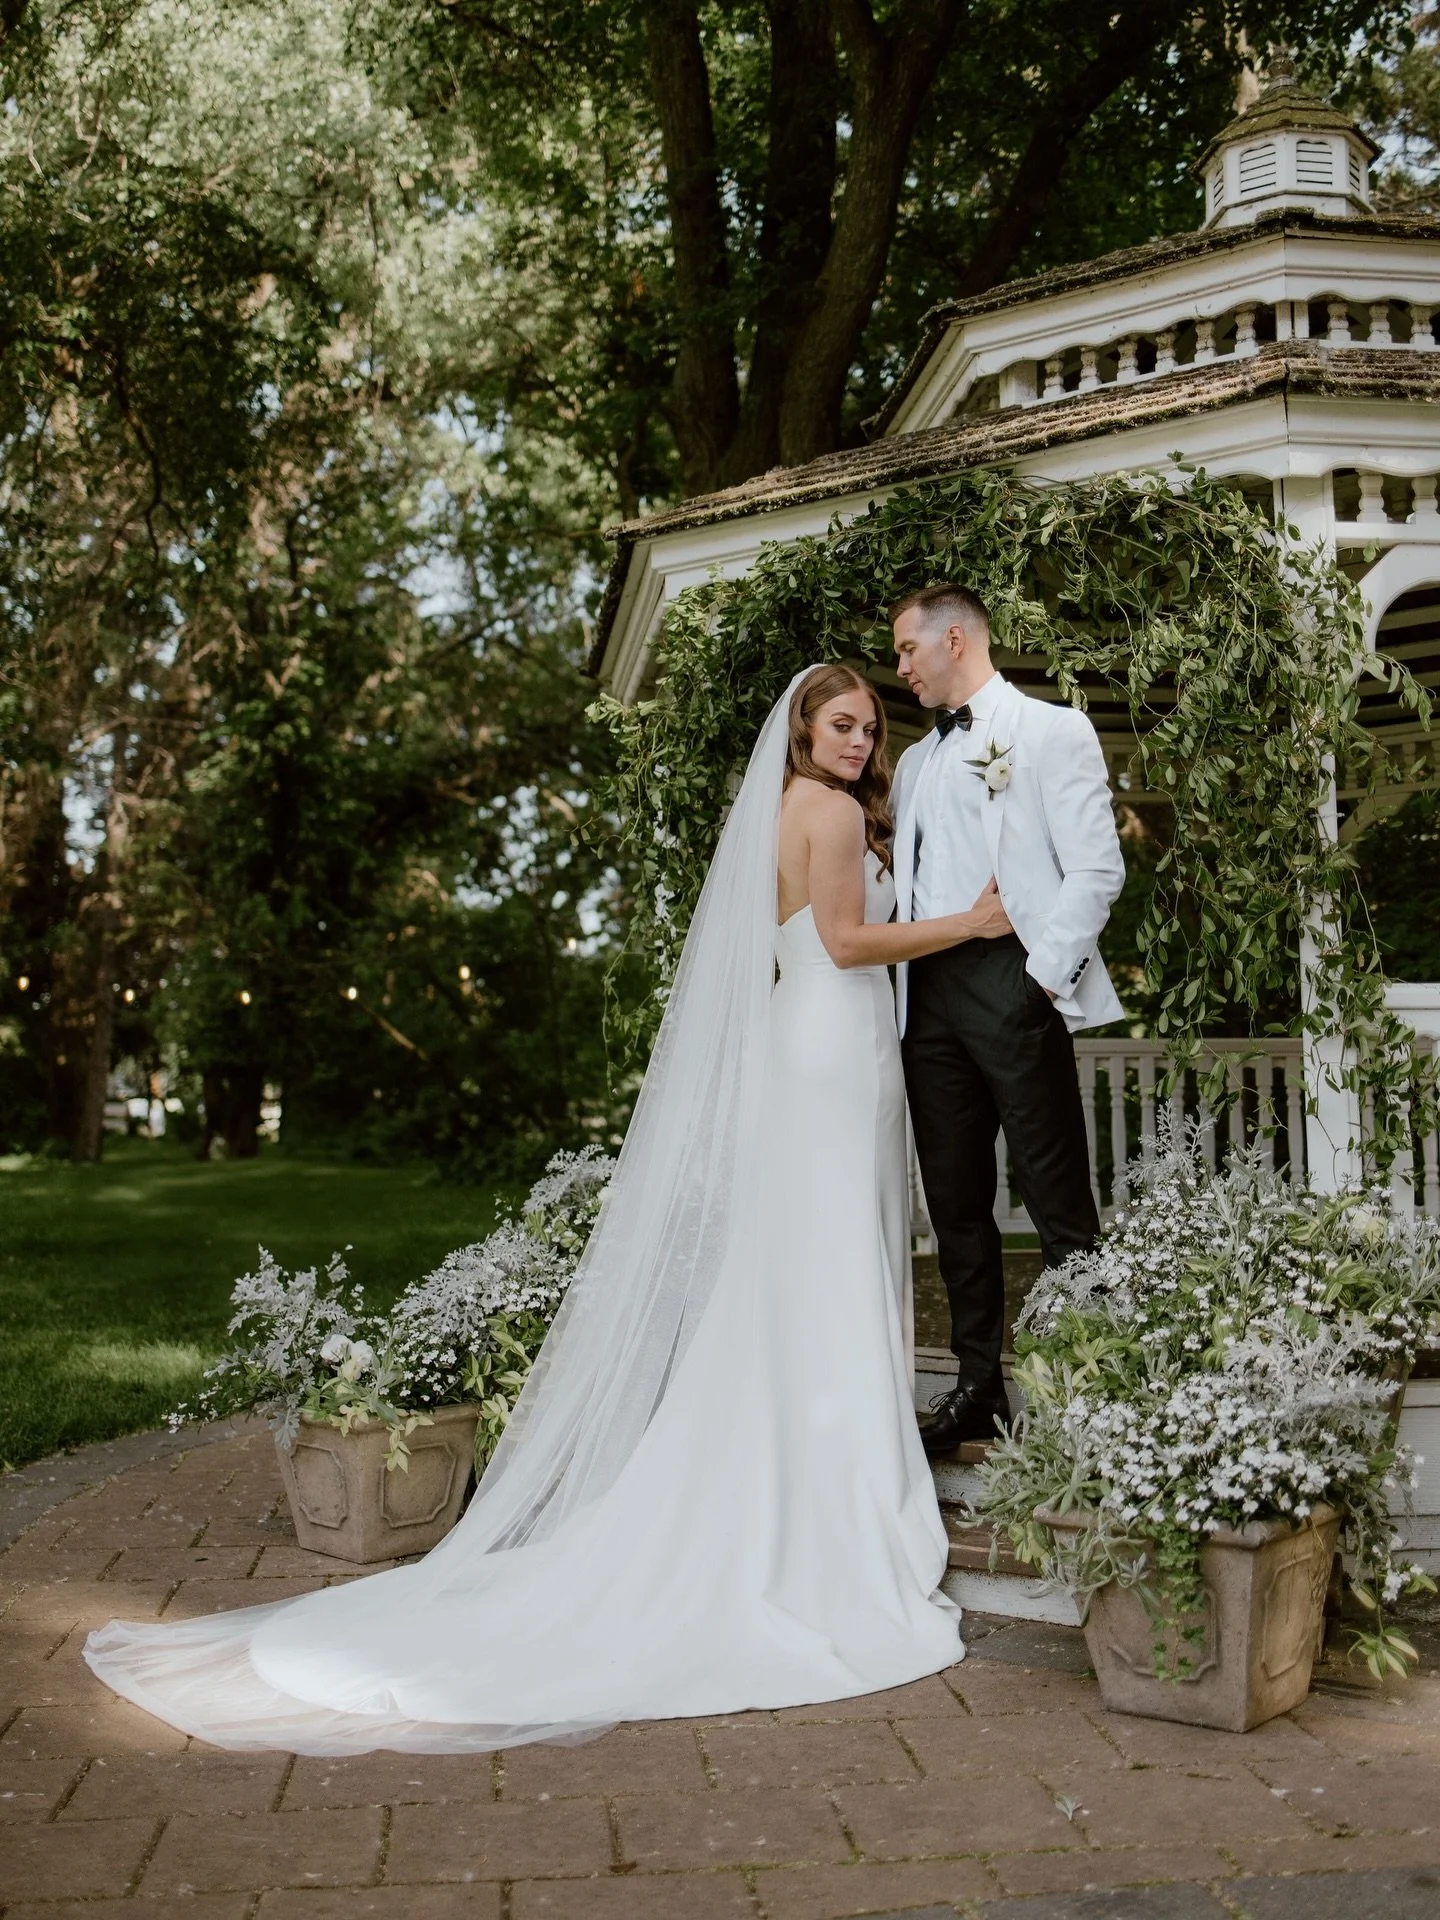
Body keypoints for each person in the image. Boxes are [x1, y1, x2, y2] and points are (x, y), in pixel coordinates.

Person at [85, 662, 1010, 1756]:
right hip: (830, 1050)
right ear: (803, 733)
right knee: (830, 1265)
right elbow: (850, 946)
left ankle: (810, 1458)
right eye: (841, 723)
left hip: (820, 1051)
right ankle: (829, 1493)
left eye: (868, 726)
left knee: (808, 1265)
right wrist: (970, 921)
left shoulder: (795, 810)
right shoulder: (824, 814)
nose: (859, 739)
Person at [890, 584, 1126, 1455]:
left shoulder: (1050, 731)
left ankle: (1095, 1386)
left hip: (1015, 980)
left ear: (955, 638)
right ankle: (977, 1386)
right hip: (928, 994)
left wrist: (1037, 982)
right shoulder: (915, 764)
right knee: (954, 1201)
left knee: (1058, 1197)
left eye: (909, 650)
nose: (902, 667)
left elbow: (1096, 871)